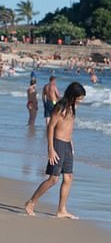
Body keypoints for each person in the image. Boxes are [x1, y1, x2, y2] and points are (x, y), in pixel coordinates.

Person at [25, 82, 86, 219]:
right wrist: (51, 149)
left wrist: (71, 143)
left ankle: (61, 210)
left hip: (67, 146)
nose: (81, 100)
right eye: (79, 98)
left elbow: (68, 127)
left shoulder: (72, 108)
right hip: (57, 144)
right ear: (73, 95)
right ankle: (31, 202)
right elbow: (51, 127)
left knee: (68, 178)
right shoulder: (60, 107)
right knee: (53, 179)